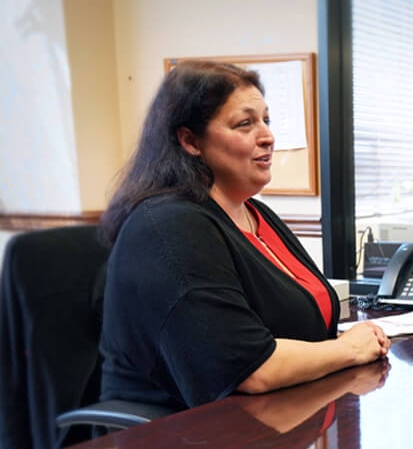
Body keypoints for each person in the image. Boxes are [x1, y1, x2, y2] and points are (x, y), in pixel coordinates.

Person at [99, 61, 389, 410]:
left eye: (266, 120)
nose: (267, 136)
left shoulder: (255, 213)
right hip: (186, 441)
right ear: (190, 140)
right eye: (245, 123)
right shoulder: (168, 226)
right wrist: (348, 349)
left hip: (286, 415)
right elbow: (248, 369)